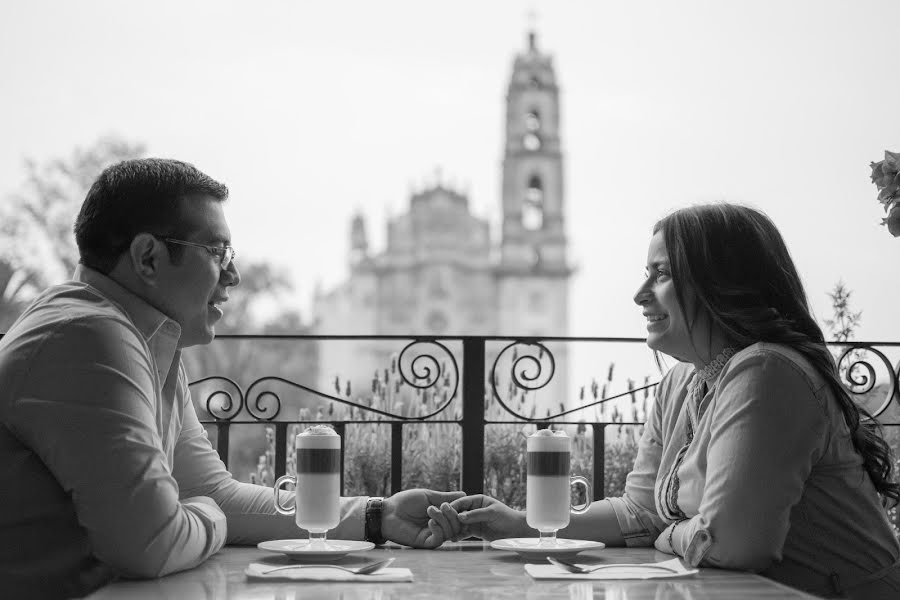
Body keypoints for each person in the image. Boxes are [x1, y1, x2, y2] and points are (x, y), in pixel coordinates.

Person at [0, 158, 462, 599]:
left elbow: (212, 491)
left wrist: (378, 517)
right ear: (147, 257)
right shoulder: (89, 336)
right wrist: (203, 513)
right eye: (217, 252)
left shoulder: (148, 339)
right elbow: (152, 542)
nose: (234, 275)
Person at [427, 204, 900, 598]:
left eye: (662, 275)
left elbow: (733, 545)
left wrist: (669, 533)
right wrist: (523, 524)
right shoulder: (681, 382)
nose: (639, 295)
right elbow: (640, 511)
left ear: (721, 284)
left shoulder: (767, 371)